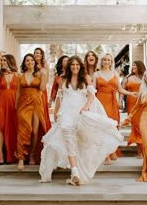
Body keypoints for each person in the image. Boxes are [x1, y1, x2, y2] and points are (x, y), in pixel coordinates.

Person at [39, 55, 123, 186]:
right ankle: (75, 172)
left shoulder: (86, 78)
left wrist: (85, 107)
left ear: (80, 66)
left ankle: (79, 169)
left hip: (80, 113)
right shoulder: (63, 79)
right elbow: (60, 98)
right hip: (66, 113)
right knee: (69, 140)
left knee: (81, 142)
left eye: (77, 65)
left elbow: (91, 96)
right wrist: (56, 112)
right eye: (72, 65)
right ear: (69, 67)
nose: (74, 67)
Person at [93, 53, 137, 163]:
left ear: (111, 62)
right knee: (102, 127)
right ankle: (105, 155)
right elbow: (92, 90)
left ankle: (112, 150)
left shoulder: (115, 73)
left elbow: (120, 89)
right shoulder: (96, 74)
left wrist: (130, 93)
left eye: (108, 60)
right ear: (101, 61)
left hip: (112, 102)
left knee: (112, 127)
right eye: (104, 60)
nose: (106, 62)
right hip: (100, 102)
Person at [15, 53, 48, 170]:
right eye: (27, 61)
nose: (30, 62)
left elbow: (42, 88)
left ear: (34, 62)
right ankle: (21, 158)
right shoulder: (20, 75)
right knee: (23, 130)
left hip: (36, 103)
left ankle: (33, 154)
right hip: (23, 104)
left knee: (34, 131)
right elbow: (18, 91)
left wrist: (44, 75)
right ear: (24, 63)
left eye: (32, 60)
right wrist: (16, 105)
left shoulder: (39, 74)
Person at [0, 54, 18, 164]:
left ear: (9, 61)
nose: (2, 62)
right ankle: (1, 156)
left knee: (13, 128)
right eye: (2, 60)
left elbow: (19, 92)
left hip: (13, 104)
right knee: (1, 128)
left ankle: (12, 155)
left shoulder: (17, 74)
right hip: (1, 103)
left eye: (4, 60)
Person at [120, 60, 146, 158]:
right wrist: (120, 101)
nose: (133, 67)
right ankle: (140, 150)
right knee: (135, 126)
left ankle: (142, 150)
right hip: (131, 103)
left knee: (141, 127)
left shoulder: (145, 77)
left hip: (142, 104)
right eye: (133, 65)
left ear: (140, 66)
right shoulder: (128, 78)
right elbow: (122, 90)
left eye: (135, 65)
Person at [34, 47, 51, 130]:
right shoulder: (31, 63)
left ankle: (44, 130)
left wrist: (41, 87)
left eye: (40, 53)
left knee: (42, 109)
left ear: (42, 55)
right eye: (36, 53)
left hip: (42, 89)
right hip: (32, 89)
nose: (38, 54)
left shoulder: (45, 65)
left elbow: (47, 78)